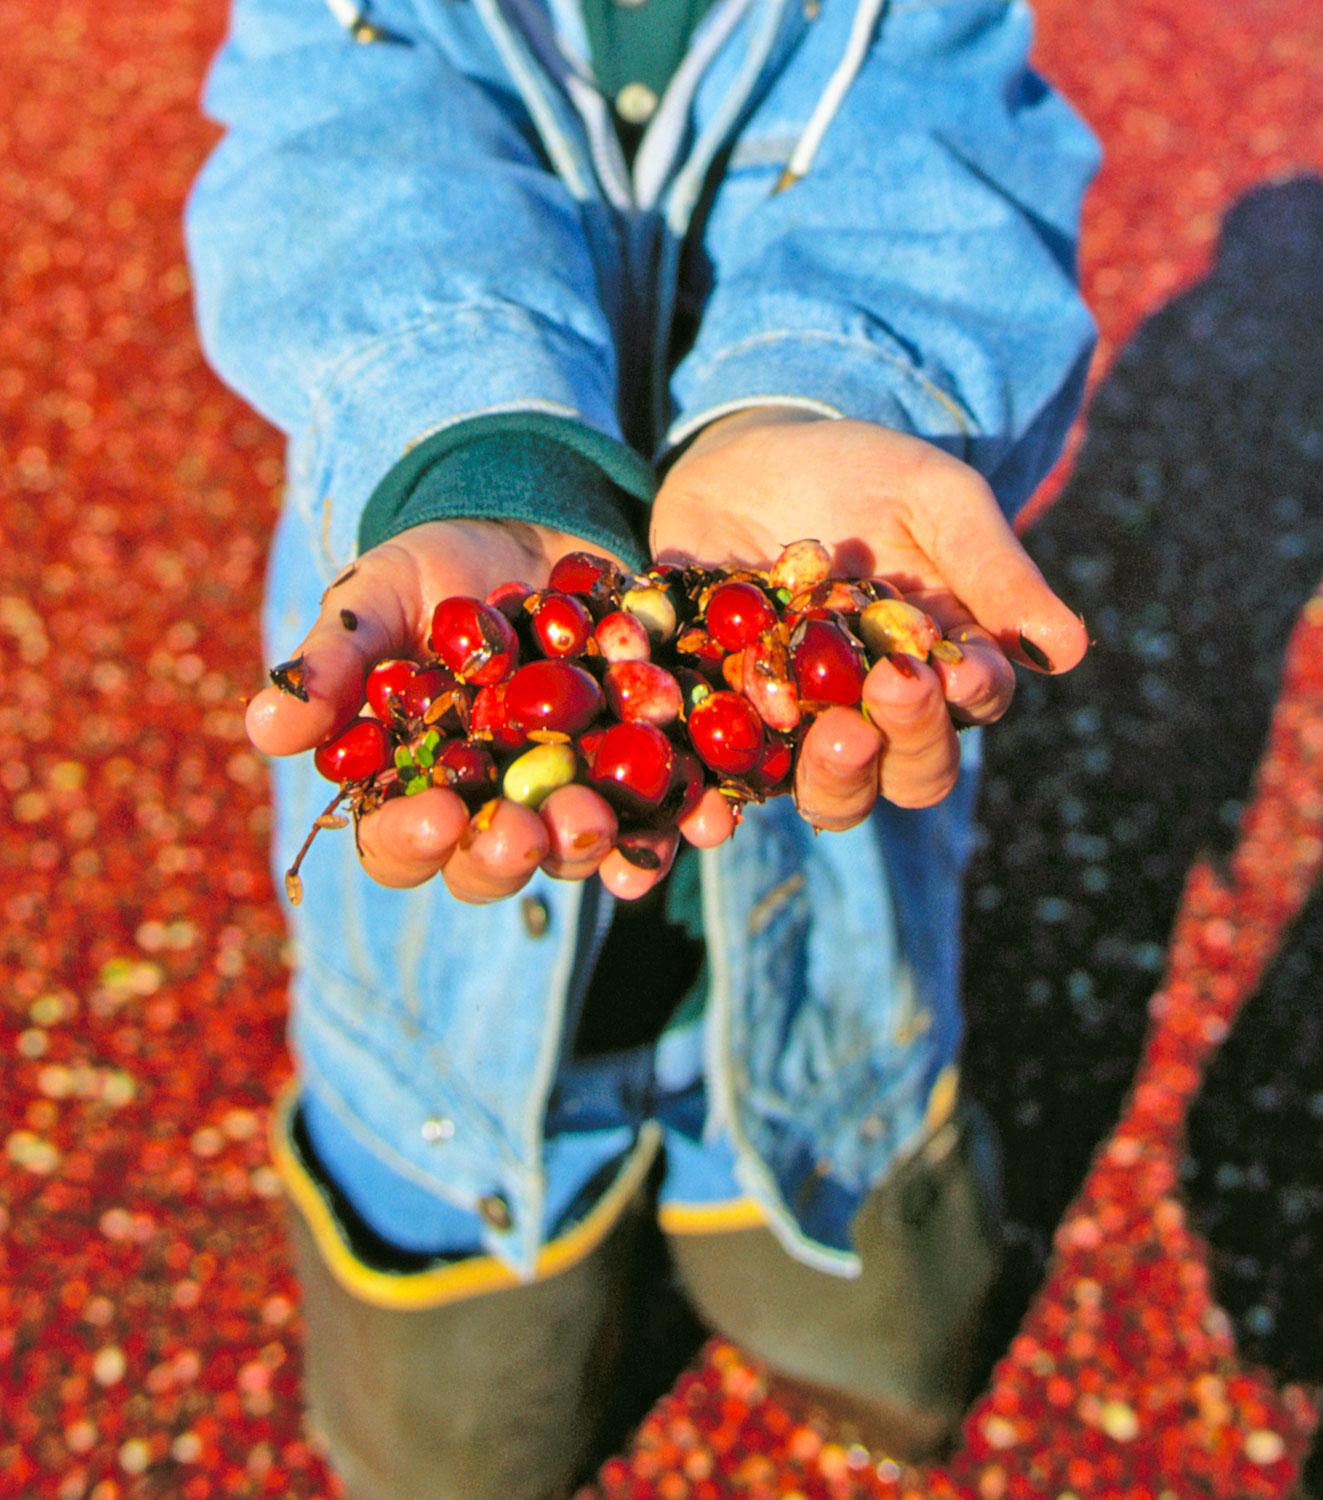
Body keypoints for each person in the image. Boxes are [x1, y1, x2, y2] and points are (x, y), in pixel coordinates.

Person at [185, 0, 1098, 1492]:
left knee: (878, 1319)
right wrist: (487, 449)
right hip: (435, 1010)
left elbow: (941, 158)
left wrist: (819, 399)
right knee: (451, 1425)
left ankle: (863, 1351)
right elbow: (337, 145)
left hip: (825, 927)